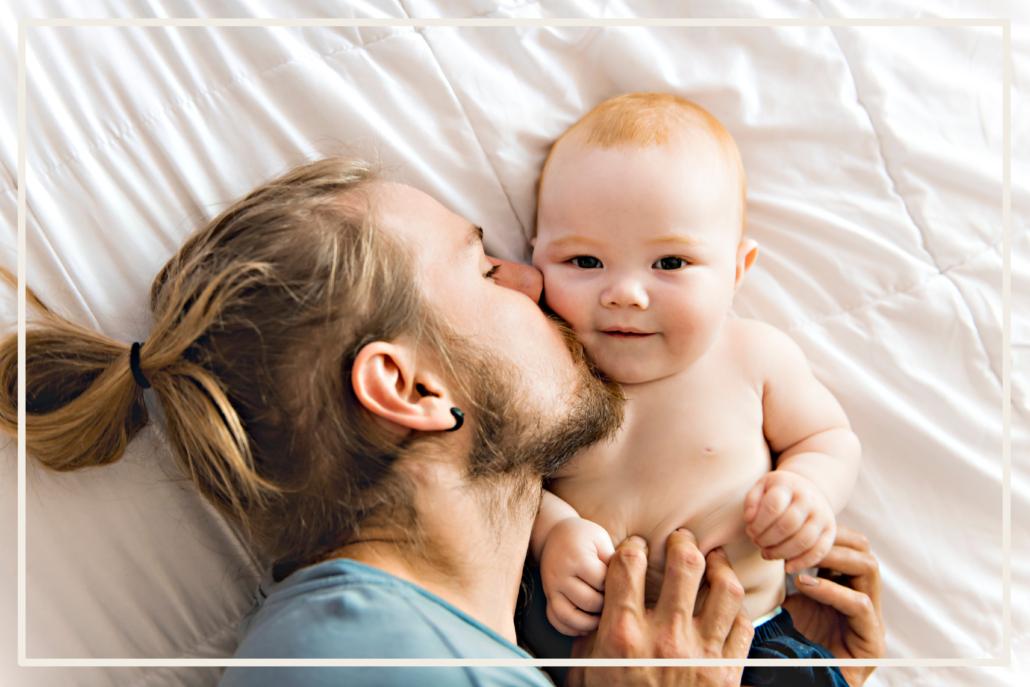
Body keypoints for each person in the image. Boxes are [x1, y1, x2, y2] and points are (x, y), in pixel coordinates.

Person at [0, 157, 881, 686]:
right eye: (485, 267)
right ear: (409, 387)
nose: (538, 283)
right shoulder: (351, 652)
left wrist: (773, 664)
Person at [526, 93, 863, 686]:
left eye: (671, 263)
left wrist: (807, 490)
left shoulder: (752, 355)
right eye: (584, 260)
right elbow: (502, 477)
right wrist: (551, 530)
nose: (625, 293)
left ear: (737, 269)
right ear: (537, 257)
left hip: (753, 637)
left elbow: (828, 437)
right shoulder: (543, 365)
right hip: (576, 645)